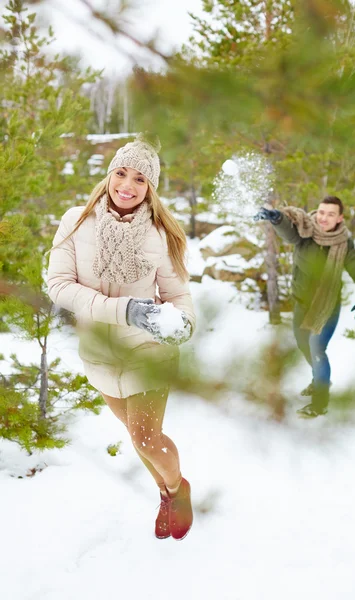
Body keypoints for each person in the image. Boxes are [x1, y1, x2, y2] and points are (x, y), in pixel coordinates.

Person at [47, 134, 196, 540]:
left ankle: (178, 490)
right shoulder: (76, 221)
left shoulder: (160, 235)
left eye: (140, 179)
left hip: (148, 350)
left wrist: (183, 323)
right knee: (136, 437)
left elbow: (179, 296)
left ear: (151, 188)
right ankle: (164, 492)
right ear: (110, 173)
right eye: (122, 173)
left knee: (147, 438)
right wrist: (125, 309)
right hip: (99, 351)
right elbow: (58, 285)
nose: (127, 185)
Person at [254, 196, 355, 418]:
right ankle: (319, 378)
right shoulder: (304, 233)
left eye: (330, 214)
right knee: (304, 345)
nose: (323, 218)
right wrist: (276, 218)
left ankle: (320, 401)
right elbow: (288, 232)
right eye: (321, 212)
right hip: (301, 303)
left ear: (339, 218)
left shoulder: (343, 245)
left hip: (327, 307)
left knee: (317, 349)